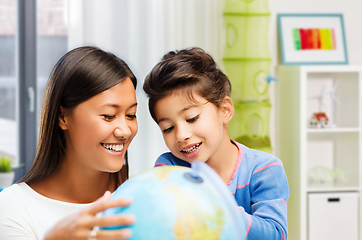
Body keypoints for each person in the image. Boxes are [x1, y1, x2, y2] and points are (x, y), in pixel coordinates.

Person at [143, 47, 289, 240]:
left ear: (225, 110)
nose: (181, 135)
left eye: (192, 118)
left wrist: (214, 204)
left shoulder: (265, 169)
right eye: (168, 128)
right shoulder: (169, 168)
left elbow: (275, 235)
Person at [0, 46, 138, 240]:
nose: (125, 131)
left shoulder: (142, 195)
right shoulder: (15, 207)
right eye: (108, 116)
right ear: (63, 117)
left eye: (131, 115)